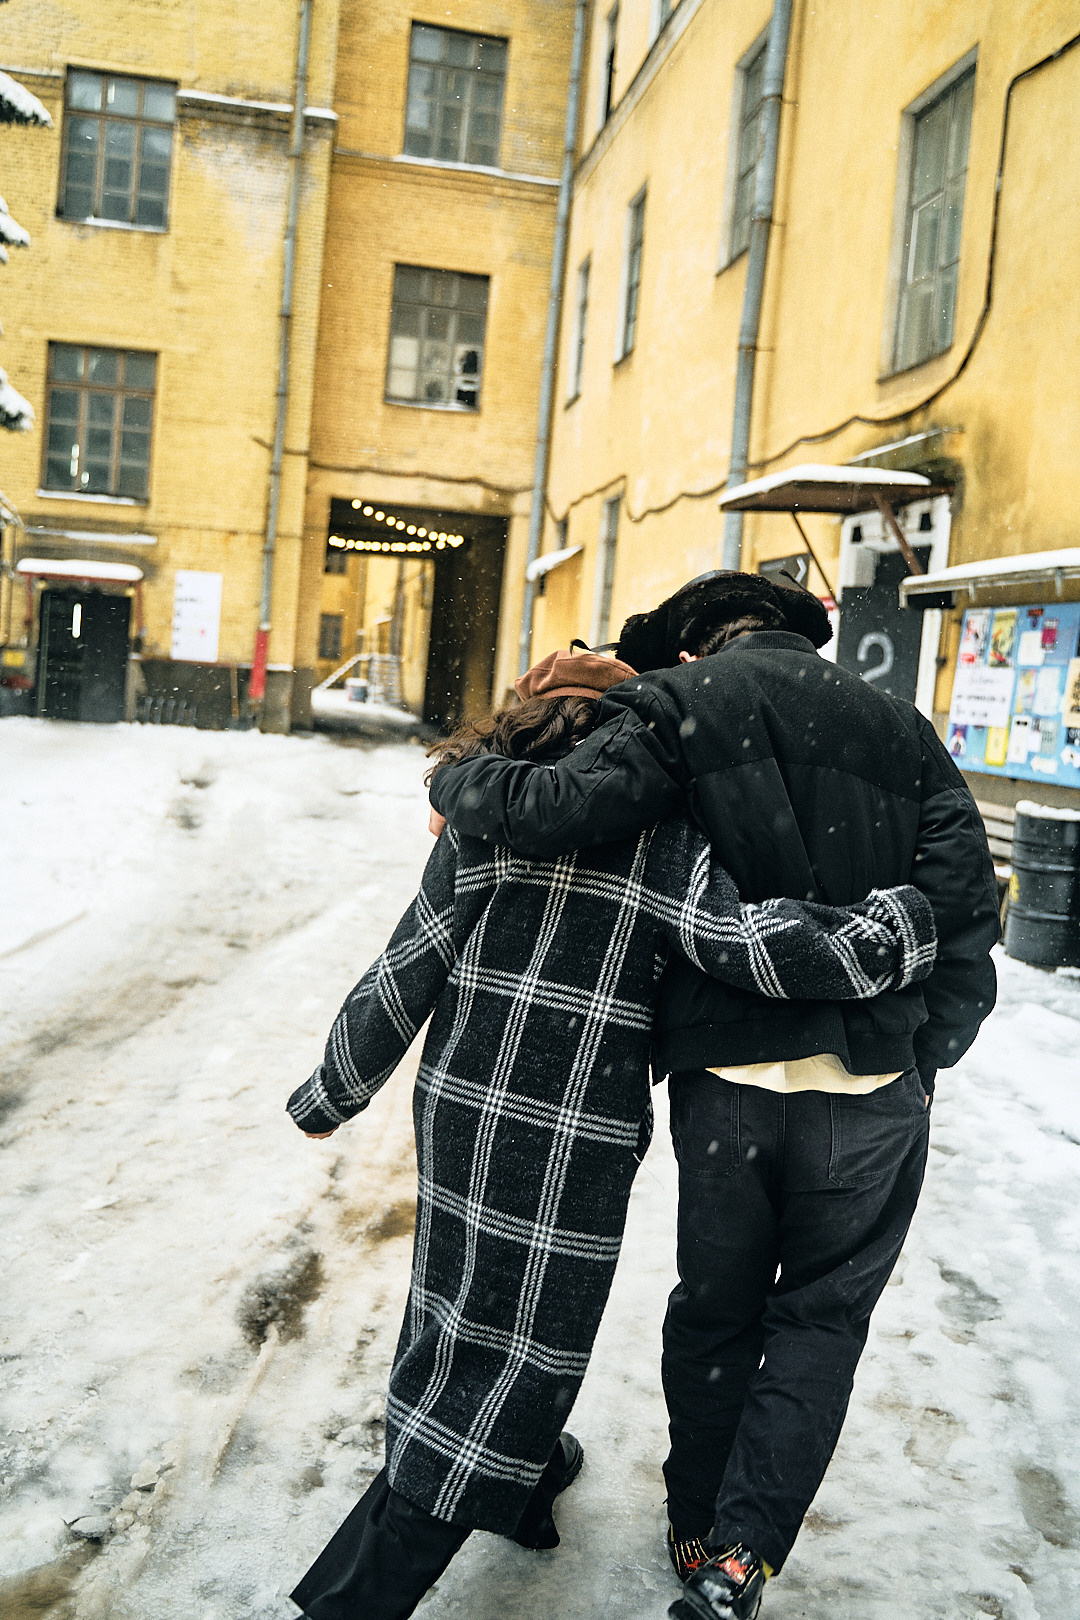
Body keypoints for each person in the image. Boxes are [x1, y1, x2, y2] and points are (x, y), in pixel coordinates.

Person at [286, 647, 939, 1620]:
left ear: (522, 715)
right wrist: (896, 929)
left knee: (459, 1307)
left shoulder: (481, 817)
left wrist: (333, 1087)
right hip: (575, 1135)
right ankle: (353, 1597)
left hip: (464, 1113)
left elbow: (406, 965)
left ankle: (529, 1480)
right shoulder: (660, 830)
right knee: (525, 1343)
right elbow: (747, 943)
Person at [428, 574, 1000, 1620]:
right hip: (871, 1092)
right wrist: (927, 1054)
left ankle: (693, 1520)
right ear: (799, 637)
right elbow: (966, 912)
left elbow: (554, 805)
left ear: (694, 645)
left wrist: (459, 779)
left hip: (728, 1085)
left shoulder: (677, 709)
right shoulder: (902, 726)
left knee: (715, 1310)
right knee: (823, 1322)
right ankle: (741, 1558)